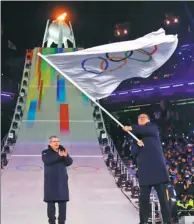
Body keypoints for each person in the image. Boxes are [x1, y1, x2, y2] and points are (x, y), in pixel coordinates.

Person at [123, 113, 171, 224]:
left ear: (148, 120)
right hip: (145, 172)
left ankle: (168, 221)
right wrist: (138, 145)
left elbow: (147, 130)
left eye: (143, 117)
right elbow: (133, 152)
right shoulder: (136, 137)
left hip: (158, 170)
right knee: (143, 200)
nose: (140, 119)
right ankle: (143, 222)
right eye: (139, 118)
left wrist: (130, 127)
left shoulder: (152, 128)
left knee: (163, 199)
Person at [42, 136, 73, 224]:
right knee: (51, 207)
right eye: (54, 141)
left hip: (61, 183)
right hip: (50, 184)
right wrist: (59, 156)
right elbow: (48, 161)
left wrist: (65, 156)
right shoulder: (45, 153)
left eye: (58, 141)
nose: (57, 143)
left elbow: (69, 162)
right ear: (50, 143)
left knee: (63, 208)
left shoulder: (62, 151)